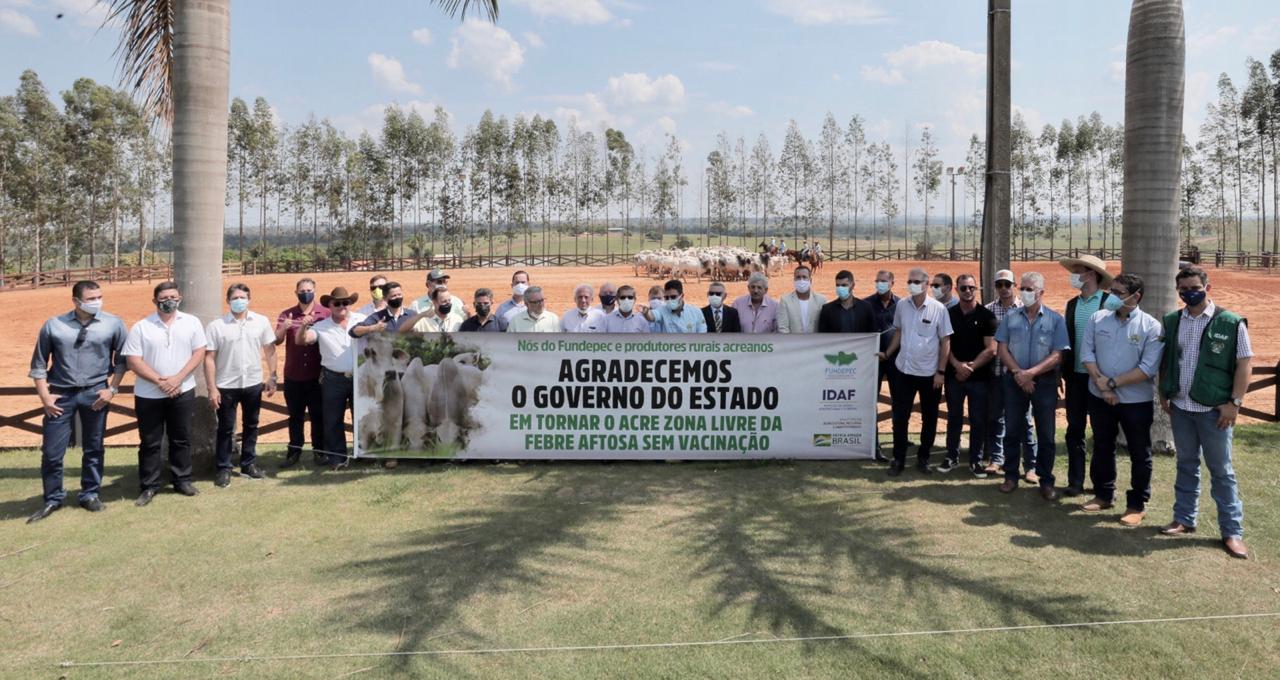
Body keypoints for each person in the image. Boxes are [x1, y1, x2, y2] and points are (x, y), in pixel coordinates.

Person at [1157, 266, 1252, 559]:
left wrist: (1234, 403)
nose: (1189, 293)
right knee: (1186, 464)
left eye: (1194, 288)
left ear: (1207, 288)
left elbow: (1244, 364)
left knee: (1221, 471)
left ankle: (1232, 531)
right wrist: (1164, 392)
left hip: (1214, 411)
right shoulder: (1173, 321)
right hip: (1182, 407)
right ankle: (1184, 518)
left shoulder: (1230, 322)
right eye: (1183, 289)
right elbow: (1166, 360)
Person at [26, 281, 128, 523]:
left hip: (95, 393)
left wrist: (112, 389)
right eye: (91, 299)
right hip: (61, 395)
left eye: (99, 297)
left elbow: (123, 360)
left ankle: (90, 494)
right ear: (75, 301)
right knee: (52, 452)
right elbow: (39, 364)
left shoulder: (113, 323)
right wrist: (45, 397)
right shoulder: (54, 325)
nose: (97, 302)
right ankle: (53, 498)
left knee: (94, 448)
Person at [1080, 273, 1163, 526]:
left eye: (1118, 293)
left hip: (1136, 402)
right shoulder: (1097, 319)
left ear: (1136, 296)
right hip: (1100, 397)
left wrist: (1113, 383)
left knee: (1139, 452)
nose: (1112, 297)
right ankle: (1103, 494)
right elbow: (1087, 353)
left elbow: (1147, 368)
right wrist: (1103, 386)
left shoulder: (1151, 327)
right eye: (1111, 291)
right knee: (1102, 446)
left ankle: (1136, 504)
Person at [122, 281, 208, 506]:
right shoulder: (142, 327)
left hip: (183, 390)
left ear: (179, 298)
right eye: (164, 298)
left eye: (173, 297)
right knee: (150, 441)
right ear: (155, 301)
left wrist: (178, 379)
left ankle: (182, 480)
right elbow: (133, 360)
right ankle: (149, 485)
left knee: (181, 437)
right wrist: (161, 381)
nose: (169, 301)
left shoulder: (191, 322)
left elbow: (199, 352)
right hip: (149, 394)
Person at [995, 272, 1070, 500]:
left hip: (1044, 383)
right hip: (1014, 380)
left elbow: (1058, 355)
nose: (1025, 293)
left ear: (1041, 292)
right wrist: (1019, 374)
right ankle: (1010, 475)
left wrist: (1030, 374)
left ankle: (1046, 480)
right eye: (1023, 288)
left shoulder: (1055, 319)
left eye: (1030, 289)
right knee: (1012, 430)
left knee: (1046, 434)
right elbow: (1002, 348)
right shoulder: (1010, 317)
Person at [203, 283, 278, 488]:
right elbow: (209, 358)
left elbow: (270, 350)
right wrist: (212, 388)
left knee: (251, 425)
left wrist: (272, 376)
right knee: (225, 428)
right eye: (235, 298)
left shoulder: (261, 321)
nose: (239, 301)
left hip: (253, 382)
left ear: (249, 299)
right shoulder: (216, 326)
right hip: (226, 384)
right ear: (228, 301)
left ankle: (248, 464)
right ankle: (224, 468)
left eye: (242, 297)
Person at [881, 267, 952, 476]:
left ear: (926, 284)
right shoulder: (902, 305)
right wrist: (888, 353)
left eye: (916, 281)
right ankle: (898, 459)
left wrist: (941, 372)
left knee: (929, 418)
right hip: (904, 370)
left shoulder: (939, 309)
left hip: (929, 374)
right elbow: (899, 332)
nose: (911, 284)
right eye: (909, 281)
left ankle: (923, 458)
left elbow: (945, 341)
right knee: (900, 417)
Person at [1059, 255, 1112, 497]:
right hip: (1075, 378)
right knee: (1075, 430)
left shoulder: (1109, 303)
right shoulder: (1072, 304)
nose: (1074, 275)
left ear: (1091, 274)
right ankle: (1075, 481)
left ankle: (1102, 484)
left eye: (1078, 271)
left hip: (1100, 378)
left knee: (1102, 433)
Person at [300, 287, 366, 469]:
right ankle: (338, 457)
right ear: (329, 305)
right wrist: (303, 326)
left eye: (346, 302)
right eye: (337, 303)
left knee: (362, 417)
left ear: (350, 304)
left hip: (360, 376)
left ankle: (363, 453)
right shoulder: (321, 326)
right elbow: (304, 339)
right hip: (333, 379)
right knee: (333, 419)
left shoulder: (362, 320)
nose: (342, 306)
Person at [941, 274, 997, 476]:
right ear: (956, 289)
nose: (967, 291)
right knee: (954, 417)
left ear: (977, 289)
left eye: (971, 287)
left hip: (979, 378)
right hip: (954, 376)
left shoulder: (987, 316)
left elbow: (991, 349)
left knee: (978, 419)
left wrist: (970, 368)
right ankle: (952, 456)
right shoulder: (948, 314)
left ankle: (976, 460)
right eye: (963, 288)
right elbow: (944, 344)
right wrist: (957, 366)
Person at [984, 270, 1037, 478]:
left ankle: (1030, 465)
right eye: (999, 285)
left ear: (1014, 285)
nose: (1004, 289)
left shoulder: (1026, 309)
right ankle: (996, 458)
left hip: (1019, 374)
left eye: (1007, 284)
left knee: (1025, 420)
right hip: (997, 372)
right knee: (995, 417)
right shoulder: (988, 310)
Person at [275, 278, 329, 469]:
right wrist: (284, 327)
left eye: (309, 290)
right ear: (296, 292)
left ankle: (319, 451)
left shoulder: (325, 313)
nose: (306, 293)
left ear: (315, 290)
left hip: (317, 375)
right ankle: (294, 452)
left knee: (318, 415)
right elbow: (277, 340)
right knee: (295, 416)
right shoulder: (287, 314)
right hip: (294, 374)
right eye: (302, 291)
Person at [865, 270, 899, 462]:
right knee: (871, 404)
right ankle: (874, 445)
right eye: (877, 280)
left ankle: (899, 442)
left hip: (896, 362)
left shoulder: (901, 305)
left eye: (884, 281)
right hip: (873, 361)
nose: (880, 284)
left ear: (892, 283)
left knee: (899, 403)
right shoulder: (866, 304)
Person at [778, 266, 827, 334]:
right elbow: (783, 328)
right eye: (798, 277)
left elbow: (825, 326)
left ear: (810, 280)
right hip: (792, 340)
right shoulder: (785, 301)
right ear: (794, 280)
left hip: (815, 340)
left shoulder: (821, 300)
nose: (801, 280)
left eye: (804, 277)